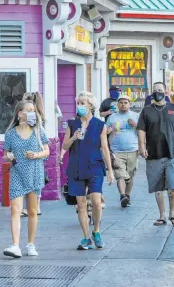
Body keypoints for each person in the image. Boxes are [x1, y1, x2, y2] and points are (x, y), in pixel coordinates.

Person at [62, 91, 114, 250]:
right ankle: (86, 237)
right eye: (78, 103)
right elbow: (64, 146)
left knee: (97, 202)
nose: (80, 106)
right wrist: (73, 137)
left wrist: (110, 170)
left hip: (95, 166)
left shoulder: (100, 125)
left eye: (83, 103)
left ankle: (96, 231)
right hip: (76, 167)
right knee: (81, 204)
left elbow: (104, 148)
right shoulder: (72, 124)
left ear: (90, 105)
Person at [3, 100, 50, 258]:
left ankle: (30, 244)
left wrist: (36, 155)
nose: (32, 113)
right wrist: (8, 156)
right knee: (15, 210)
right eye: (28, 110)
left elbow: (47, 151)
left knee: (32, 211)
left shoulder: (38, 130)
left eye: (33, 110)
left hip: (34, 173)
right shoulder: (10, 133)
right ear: (20, 114)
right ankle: (15, 245)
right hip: (17, 174)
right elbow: (5, 155)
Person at [137, 82, 174, 226]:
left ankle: (173, 213)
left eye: (160, 90)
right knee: (158, 188)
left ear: (165, 92)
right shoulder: (146, 111)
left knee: (172, 186)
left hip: (171, 155)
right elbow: (141, 130)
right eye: (154, 90)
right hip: (153, 154)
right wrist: (142, 146)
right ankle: (162, 215)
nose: (157, 92)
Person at [106, 95, 139, 207]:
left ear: (129, 104)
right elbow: (105, 132)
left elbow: (144, 131)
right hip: (116, 151)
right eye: (121, 102)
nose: (123, 104)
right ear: (117, 104)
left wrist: (136, 125)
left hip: (133, 150)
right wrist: (108, 131)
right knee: (120, 175)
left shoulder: (136, 116)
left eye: (125, 102)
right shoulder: (112, 117)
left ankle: (127, 196)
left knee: (130, 176)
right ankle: (122, 196)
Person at [21, 92, 46, 217]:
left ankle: (31, 207)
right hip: (39, 152)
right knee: (37, 180)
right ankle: (37, 207)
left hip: (33, 152)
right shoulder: (40, 114)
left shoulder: (32, 118)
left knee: (29, 180)